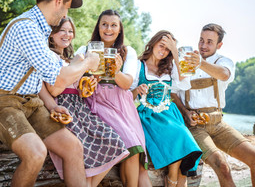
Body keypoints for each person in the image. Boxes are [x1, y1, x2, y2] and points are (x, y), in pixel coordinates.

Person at [0, 0, 100, 187]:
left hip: (31, 103)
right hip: (0, 101)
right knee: (36, 153)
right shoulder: (26, 28)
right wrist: (88, 62)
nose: (65, 14)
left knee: (73, 147)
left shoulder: (40, 31)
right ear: (59, 1)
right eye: (67, 9)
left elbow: (44, 78)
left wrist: (52, 105)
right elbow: (59, 78)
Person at [172, 23, 255, 187]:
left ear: (219, 45)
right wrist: (184, 112)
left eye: (209, 42)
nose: (203, 45)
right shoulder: (184, 61)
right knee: (222, 165)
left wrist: (200, 63)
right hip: (195, 126)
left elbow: (224, 75)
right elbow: (173, 91)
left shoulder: (224, 62)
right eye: (201, 40)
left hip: (218, 124)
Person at [39, 17, 130, 187]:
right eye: (62, 30)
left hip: (80, 107)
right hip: (62, 106)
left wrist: (86, 86)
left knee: (114, 141)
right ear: (51, 34)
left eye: (70, 31)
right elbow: (54, 89)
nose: (67, 35)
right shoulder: (47, 56)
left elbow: (78, 86)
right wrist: (78, 64)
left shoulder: (71, 58)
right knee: (83, 149)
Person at [75, 10, 147, 187]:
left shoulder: (126, 51)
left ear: (120, 29)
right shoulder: (85, 50)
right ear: (98, 27)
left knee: (135, 149)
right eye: (104, 24)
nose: (108, 29)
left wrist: (115, 71)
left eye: (114, 25)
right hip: (96, 102)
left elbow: (127, 83)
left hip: (122, 105)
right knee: (128, 143)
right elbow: (74, 80)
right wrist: (88, 79)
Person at [131, 30, 202, 187]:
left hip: (170, 112)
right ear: (153, 43)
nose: (163, 51)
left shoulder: (170, 67)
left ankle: (175, 176)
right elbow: (127, 96)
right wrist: (137, 90)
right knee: (178, 134)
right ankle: (174, 178)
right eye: (161, 45)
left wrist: (176, 52)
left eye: (168, 49)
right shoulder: (138, 66)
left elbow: (184, 82)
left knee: (183, 135)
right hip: (148, 114)